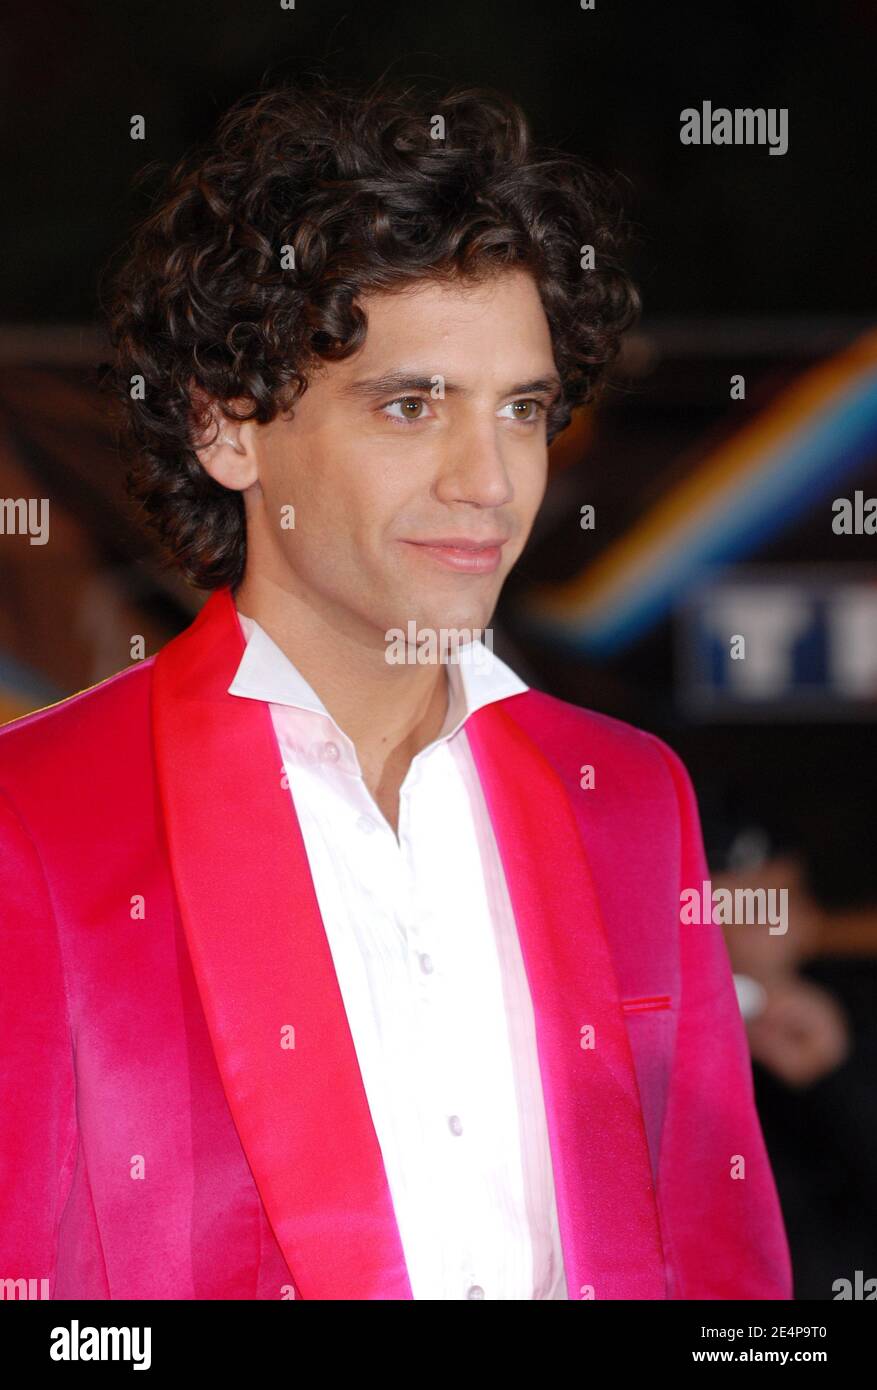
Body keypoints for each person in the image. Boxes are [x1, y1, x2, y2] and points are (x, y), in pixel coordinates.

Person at [0, 76, 791, 1300]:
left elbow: (718, 1274)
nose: (487, 480)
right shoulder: (39, 816)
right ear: (227, 428)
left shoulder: (628, 797)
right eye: (413, 406)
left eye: (521, 410)